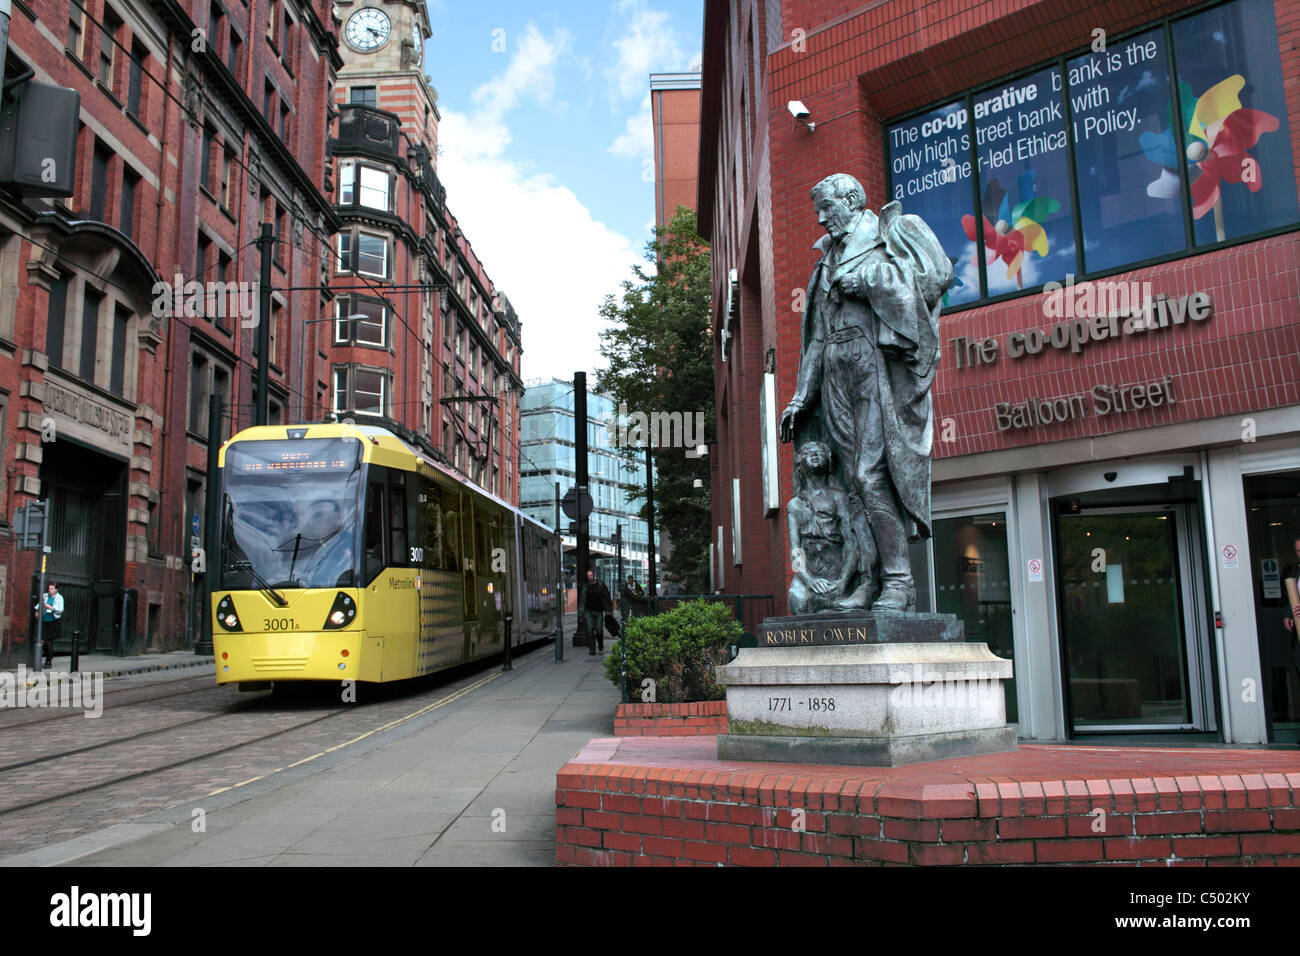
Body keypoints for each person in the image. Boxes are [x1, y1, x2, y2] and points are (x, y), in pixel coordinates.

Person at [780, 173, 952, 611]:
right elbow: (816, 338)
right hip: (836, 374)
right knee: (850, 484)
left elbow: (936, 278)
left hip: (873, 367)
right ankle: (867, 582)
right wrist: (801, 396)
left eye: (826, 208)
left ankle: (900, 583)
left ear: (853, 200)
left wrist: (872, 282)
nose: (820, 219)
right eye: (817, 210)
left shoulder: (890, 234)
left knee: (869, 476)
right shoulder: (825, 264)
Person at [584, 569, 612, 655]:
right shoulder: (585, 586)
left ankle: (600, 643)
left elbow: (607, 597)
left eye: (591, 575)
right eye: (588, 576)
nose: (590, 577)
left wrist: (608, 610)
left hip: (599, 611)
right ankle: (592, 649)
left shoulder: (600, 585)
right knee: (590, 630)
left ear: (594, 575)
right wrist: (581, 614)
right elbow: (582, 600)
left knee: (599, 630)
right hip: (589, 611)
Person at [37, 582, 64, 667]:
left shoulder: (59, 598)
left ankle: (48, 661)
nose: (50, 590)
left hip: (53, 621)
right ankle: (46, 657)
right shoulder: (45, 595)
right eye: (49, 588)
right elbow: (40, 604)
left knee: (49, 641)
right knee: (43, 641)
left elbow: (60, 610)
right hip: (44, 621)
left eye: (52, 588)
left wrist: (51, 608)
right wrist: (37, 611)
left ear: (56, 590)